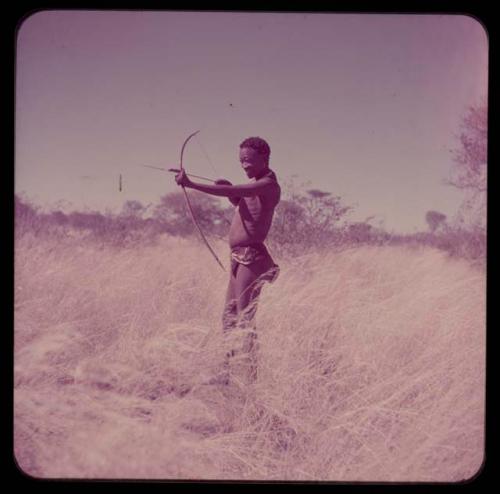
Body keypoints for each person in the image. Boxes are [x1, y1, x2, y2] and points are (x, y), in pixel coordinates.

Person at [175, 136, 280, 384]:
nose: (244, 165)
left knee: (245, 320)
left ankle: (251, 381)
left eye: (249, 161)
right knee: (229, 318)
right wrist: (230, 193)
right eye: (241, 161)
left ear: (264, 158)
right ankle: (226, 375)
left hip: (251, 259)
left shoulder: (268, 185)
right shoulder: (255, 184)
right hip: (239, 258)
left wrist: (191, 183)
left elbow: (238, 192)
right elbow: (243, 203)